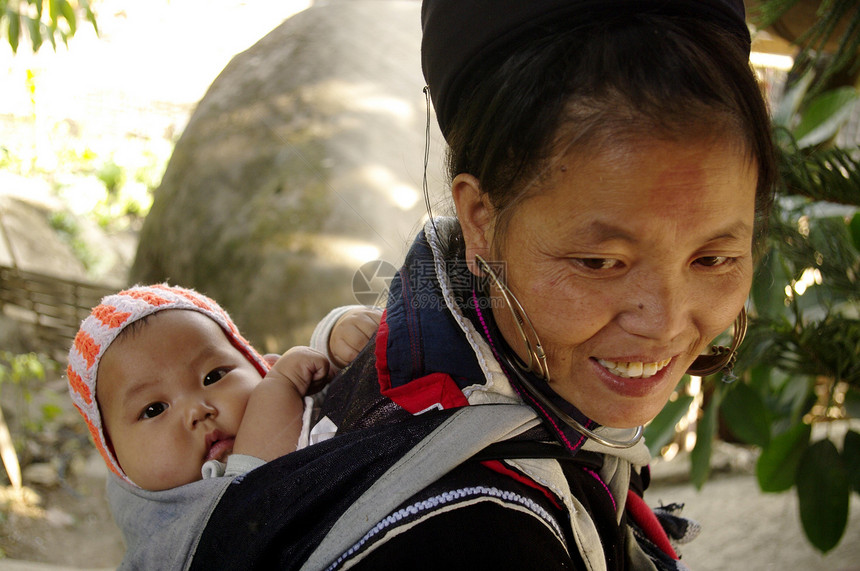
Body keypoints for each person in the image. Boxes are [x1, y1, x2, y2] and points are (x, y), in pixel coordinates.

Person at [190, 1, 777, 569]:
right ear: (480, 220)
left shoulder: (434, 330)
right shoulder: (473, 537)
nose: (667, 321)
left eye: (716, 259)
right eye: (599, 262)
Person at [66, 284, 379, 568]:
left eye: (213, 376)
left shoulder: (286, 387)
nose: (197, 411)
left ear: (256, 365)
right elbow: (256, 495)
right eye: (154, 409)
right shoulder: (171, 547)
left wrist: (337, 337)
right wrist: (279, 388)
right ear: (116, 460)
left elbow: (331, 378)